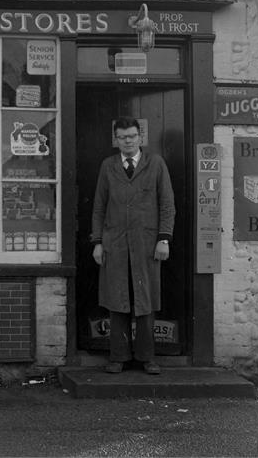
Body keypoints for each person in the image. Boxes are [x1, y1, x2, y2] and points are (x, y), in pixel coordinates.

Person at [90, 116, 175, 375]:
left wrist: (164, 239)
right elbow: (99, 207)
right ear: (116, 140)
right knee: (117, 299)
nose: (128, 141)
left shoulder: (156, 164)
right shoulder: (108, 166)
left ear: (140, 137)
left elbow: (167, 204)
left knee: (145, 299)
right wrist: (97, 242)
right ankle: (118, 357)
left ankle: (147, 357)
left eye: (132, 136)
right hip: (114, 243)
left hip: (147, 243)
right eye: (122, 137)